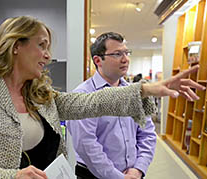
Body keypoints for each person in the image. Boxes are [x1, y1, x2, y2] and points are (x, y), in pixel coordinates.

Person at [0, 16, 204, 179]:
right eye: (42, 46)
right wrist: (10, 177)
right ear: (16, 46)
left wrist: (146, 89)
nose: (48, 55)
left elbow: (91, 102)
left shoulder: (39, 96)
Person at [67, 32, 156, 179]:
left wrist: (139, 169)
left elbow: (147, 134)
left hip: (133, 174)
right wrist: (118, 177)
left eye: (126, 53)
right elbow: (87, 145)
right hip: (94, 176)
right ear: (98, 60)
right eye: (117, 54)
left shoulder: (134, 93)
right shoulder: (83, 96)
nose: (125, 59)